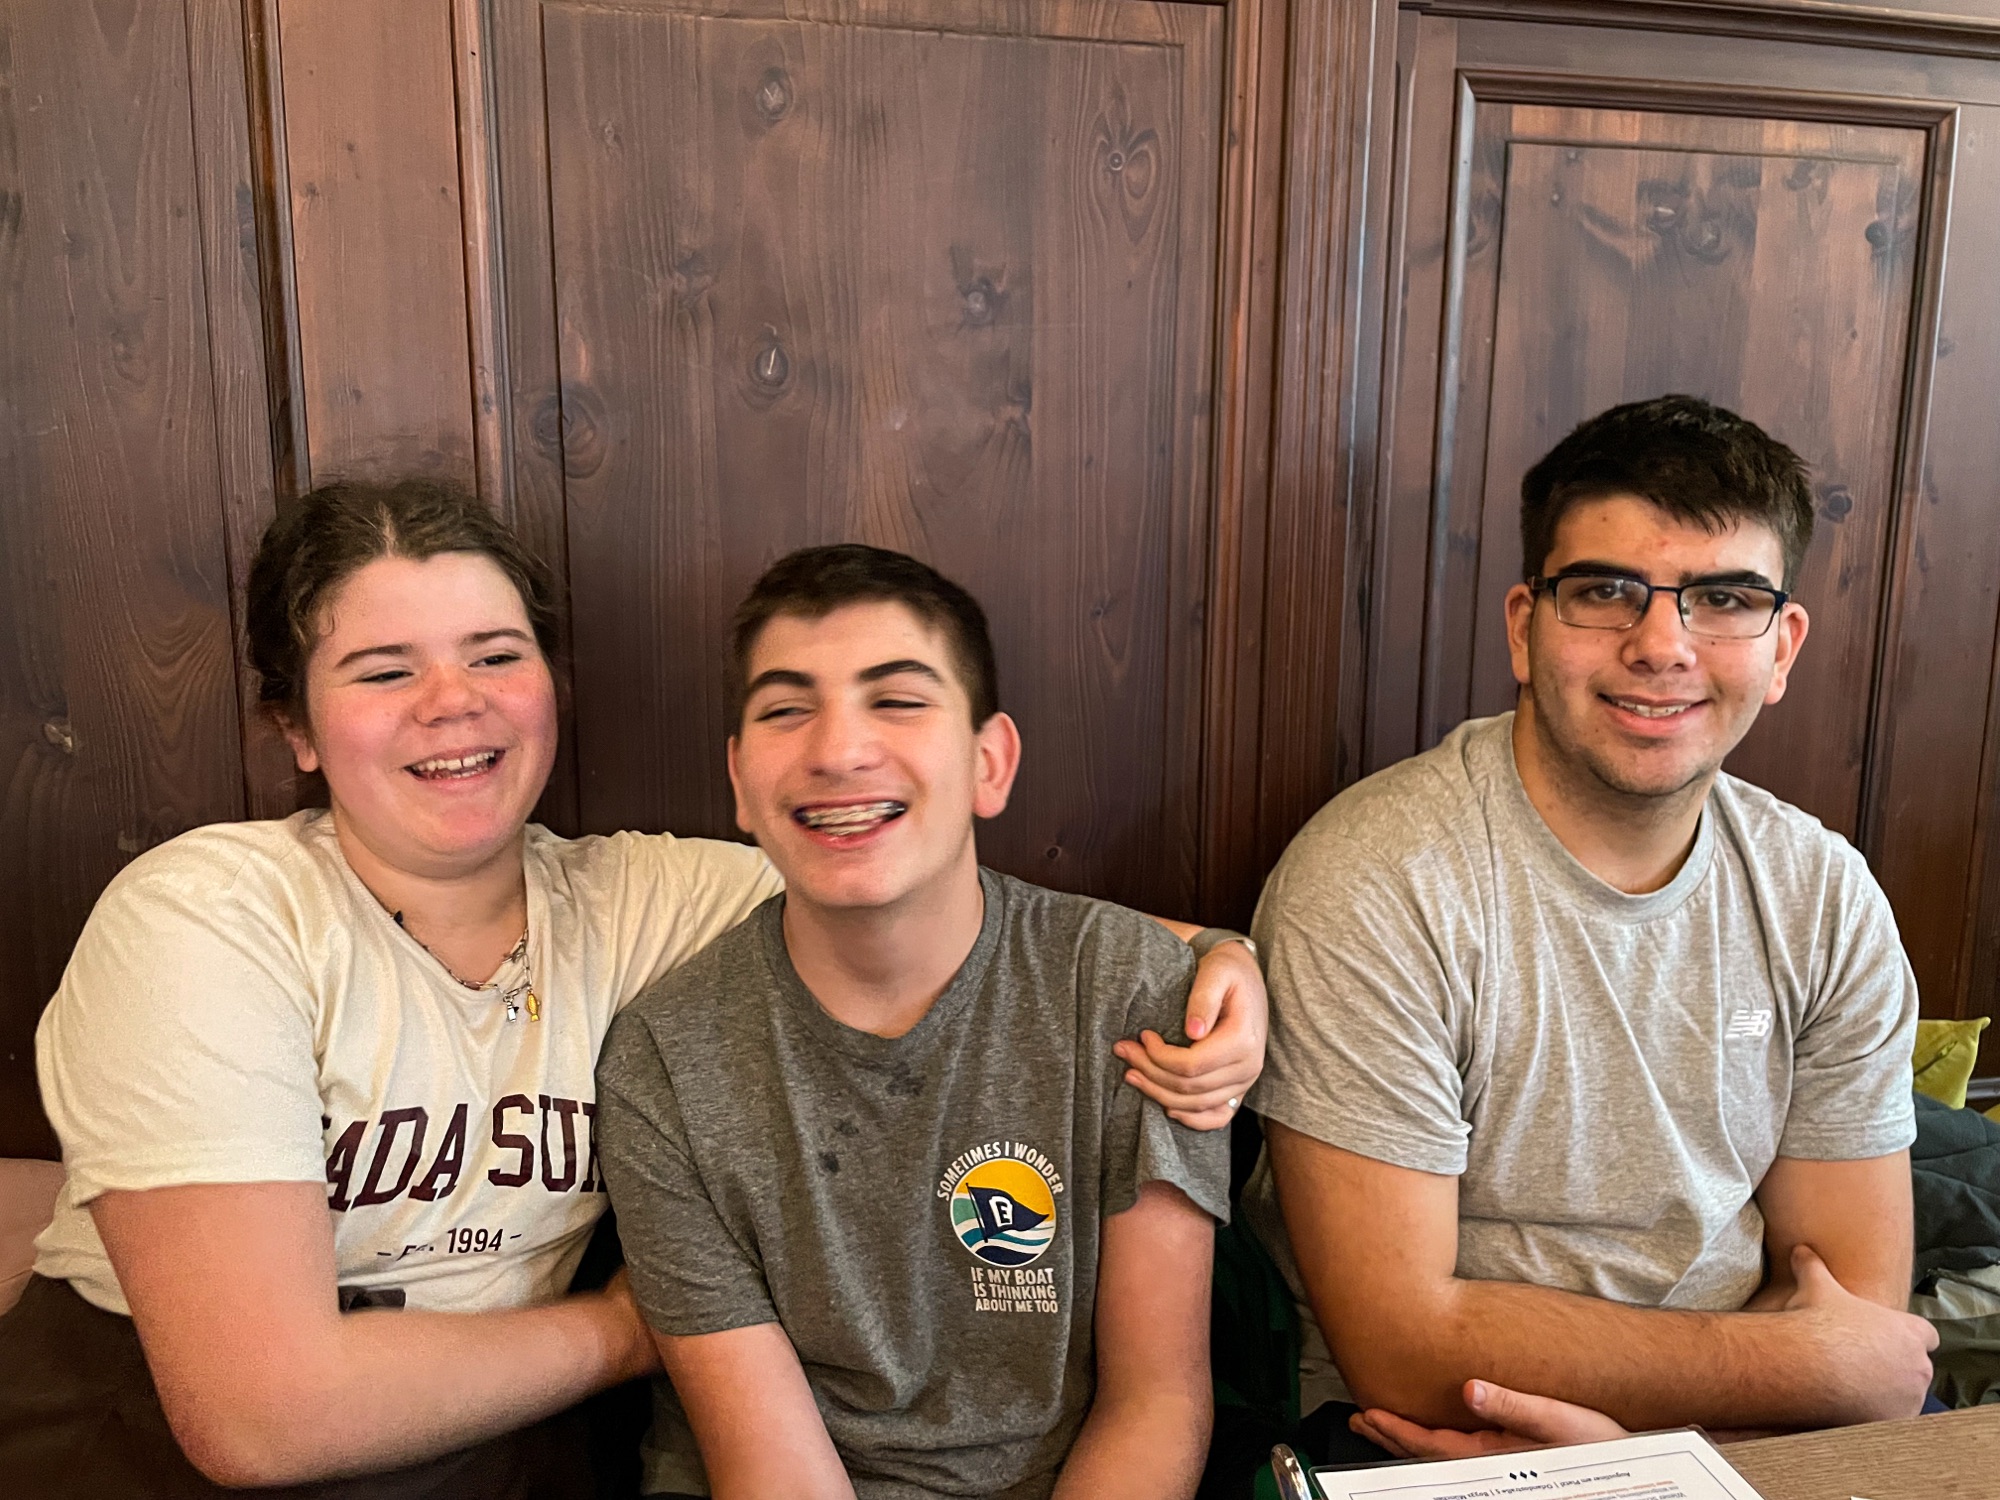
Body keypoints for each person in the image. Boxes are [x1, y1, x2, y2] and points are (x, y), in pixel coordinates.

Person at [0, 482, 1266, 1498]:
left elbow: (929, 890)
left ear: (549, 686)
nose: (453, 705)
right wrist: (635, 1326)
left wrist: (1225, 963)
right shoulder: (211, 914)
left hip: (506, 1452)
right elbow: (258, 1417)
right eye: (383, 671)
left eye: (494, 655)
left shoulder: (636, 900)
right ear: (296, 728)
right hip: (155, 1448)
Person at [1239, 395, 1939, 1469]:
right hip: (1434, 1443)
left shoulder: (1822, 894)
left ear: (1781, 645)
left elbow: (1851, 1304)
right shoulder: (1374, 878)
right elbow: (1399, 1345)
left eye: (1722, 599)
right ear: (1524, 627)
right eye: (1606, 592)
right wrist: (1788, 1378)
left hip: (1754, 1431)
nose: (1661, 645)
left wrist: (1640, 1445)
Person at [593, 545, 1236, 1500]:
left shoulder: (1128, 989)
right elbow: (770, 1470)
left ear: (990, 762)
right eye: (784, 709)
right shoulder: (665, 1060)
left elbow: (1157, 1402)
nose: (838, 749)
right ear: (739, 780)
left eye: (896, 700)